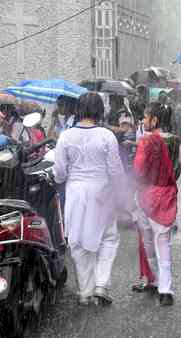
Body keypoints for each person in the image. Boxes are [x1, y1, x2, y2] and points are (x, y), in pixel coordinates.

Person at [53, 92, 126, 306]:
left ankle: (85, 291)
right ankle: (101, 284)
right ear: (99, 111)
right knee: (108, 237)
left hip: (75, 192)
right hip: (102, 191)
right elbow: (116, 170)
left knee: (77, 240)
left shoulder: (66, 136)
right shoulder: (106, 136)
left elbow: (59, 172)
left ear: (79, 110)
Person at [133, 102, 178, 306]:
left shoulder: (147, 141)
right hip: (168, 196)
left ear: (155, 120)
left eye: (145, 117)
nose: (142, 121)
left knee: (148, 241)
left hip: (147, 196)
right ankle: (166, 290)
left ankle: (157, 279)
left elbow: (139, 171)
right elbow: (177, 169)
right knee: (164, 243)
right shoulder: (174, 141)